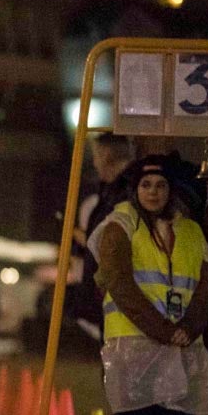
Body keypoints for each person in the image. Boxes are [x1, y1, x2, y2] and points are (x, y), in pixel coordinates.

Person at [87, 155, 208, 415]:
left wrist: (188, 329)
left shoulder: (191, 232)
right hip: (133, 345)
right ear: (135, 190)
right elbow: (119, 284)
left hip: (176, 346)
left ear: (170, 190)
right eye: (146, 186)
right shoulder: (119, 226)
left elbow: (205, 287)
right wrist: (163, 329)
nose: (153, 192)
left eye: (160, 186)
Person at [71, 134, 135, 339]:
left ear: (106, 155)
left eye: (96, 156)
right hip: (108, 299)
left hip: (114, 301)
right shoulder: (112, 192)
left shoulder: (122, 194)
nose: (95, 163)